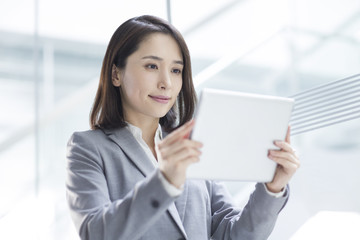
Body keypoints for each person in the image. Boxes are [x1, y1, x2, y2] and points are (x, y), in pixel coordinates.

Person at [66, 15, 300, 240]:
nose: (166, 83)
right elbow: (95, 233)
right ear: (116, 74)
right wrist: (164, 182)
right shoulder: (88, 148)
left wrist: (272, 187)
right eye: (151, 66)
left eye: (176, 70)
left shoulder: (194, 144)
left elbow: (234, 235)